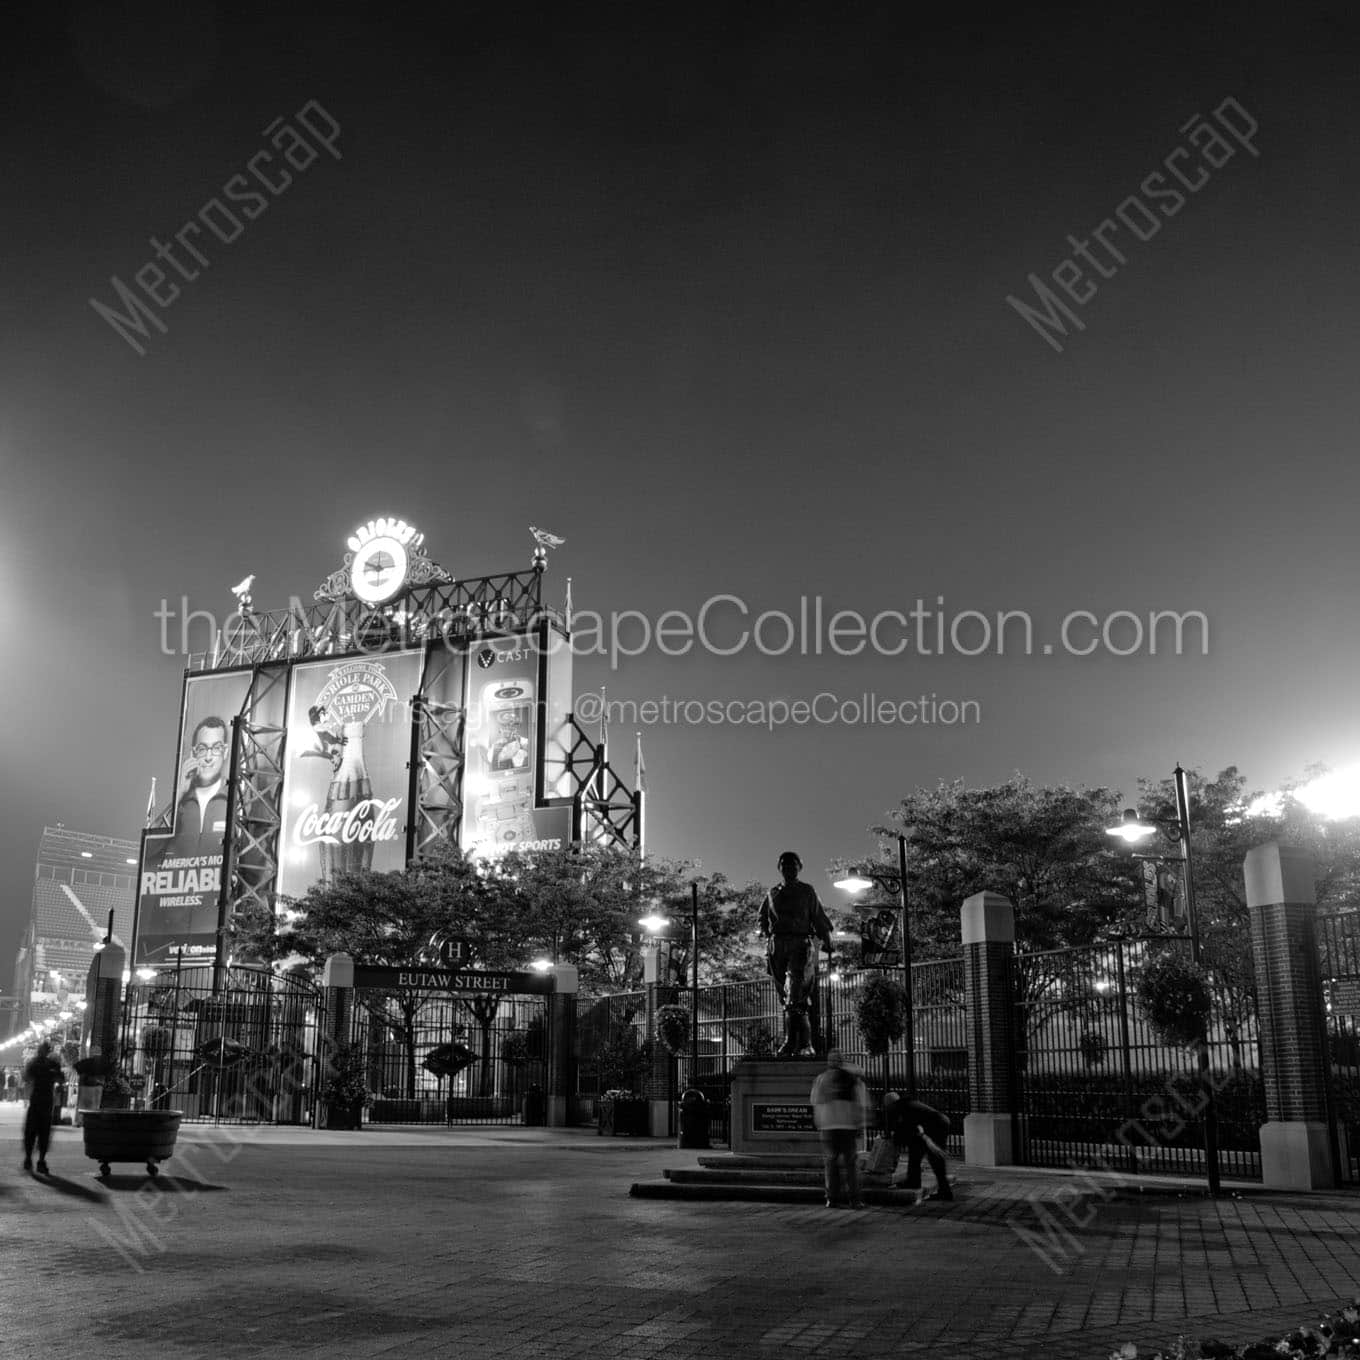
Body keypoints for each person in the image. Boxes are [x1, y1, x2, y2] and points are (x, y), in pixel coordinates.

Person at [758, 851, 834, 1056]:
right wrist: (766, 933)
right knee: (789, 999)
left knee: (794, 995)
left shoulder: (807, 891)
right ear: (779, 868)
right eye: (784, 864)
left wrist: (827, 940)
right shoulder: (772, 893)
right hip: (777, 947)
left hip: (800, 944)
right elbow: (762, 917)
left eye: (792, 865)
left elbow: (818, 917)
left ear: (799, 867)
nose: (788, 868)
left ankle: (792, 1042)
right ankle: (805, 1045)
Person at [166, 716, 230, 857]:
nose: (208, 757)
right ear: (194, 753)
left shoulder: (235, 799)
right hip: (180, 878)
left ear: (225, 752)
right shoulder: (182, 800)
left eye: (216, 748)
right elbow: (151, 848)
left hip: (221, 879)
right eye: (202, 749)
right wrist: (179, 794)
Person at [811, 1049, 868, 1208]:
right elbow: (859, 1103)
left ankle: (832, 1198)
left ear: (829, 1062)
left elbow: (816, 1102)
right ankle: (854, 1199)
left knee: (830, 1163)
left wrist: (819, 1124)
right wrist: (860, 1124)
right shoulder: (852, 1078)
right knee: (851, 1164)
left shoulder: (822, 1079)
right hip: (847, 1127)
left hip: (828, 1127)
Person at [883, 1091, 954, 1201]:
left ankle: (943, 1192)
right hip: (937, 1124)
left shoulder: (901, 1107)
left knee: (934, 1160)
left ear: (890, 1104)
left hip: (936, 1126)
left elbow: (904, 1128)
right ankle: (915, 1182)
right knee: (916, 1153)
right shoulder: (907, 1104)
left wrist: (895, 1141)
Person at [22, 1041, 63, 1174]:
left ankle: (29, 1159)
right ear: (48, 1051)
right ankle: (40, 1161)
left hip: (37, 1101)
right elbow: (61, 1079)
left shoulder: (34, 1063)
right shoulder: (52, 1064)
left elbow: (26, 1078)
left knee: (31, 1131)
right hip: (45, 1102)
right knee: (43, 1132)